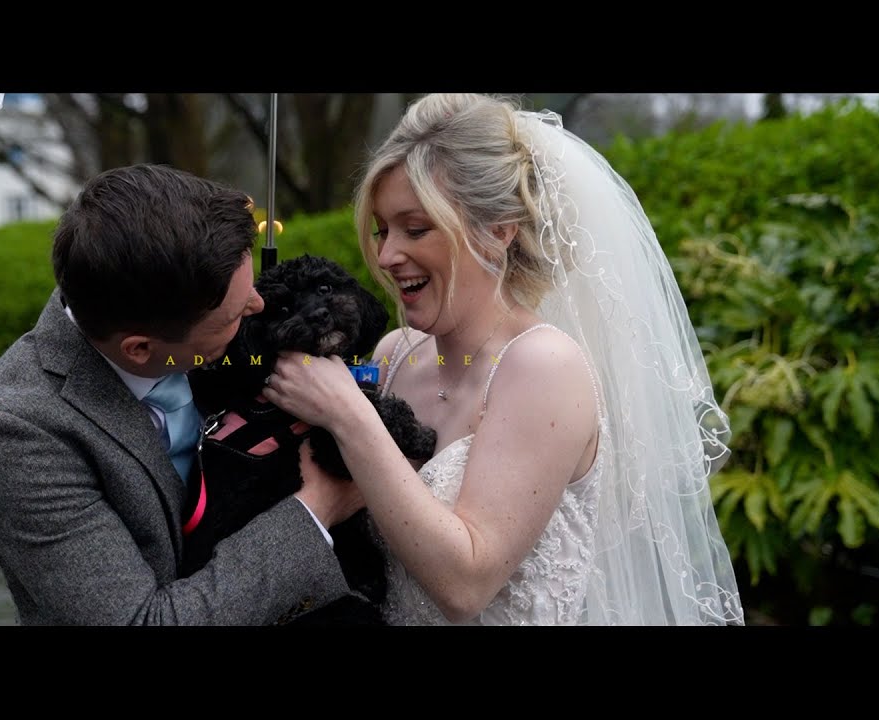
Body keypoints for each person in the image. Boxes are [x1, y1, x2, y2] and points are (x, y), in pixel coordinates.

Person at [262, 93, 744, 625]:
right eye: (382, 230)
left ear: (498, 229)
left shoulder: (543, 366)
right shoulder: (393, 355)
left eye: (415, 228)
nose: (386, 255)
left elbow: (467, 584)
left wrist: (348, 415)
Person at [0, 164, 363, 625]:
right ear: (141, 348)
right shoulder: (15, 429)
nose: (258, 308)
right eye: (232, 317)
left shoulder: (200, 310)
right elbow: (142, 621)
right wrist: (318, 508)